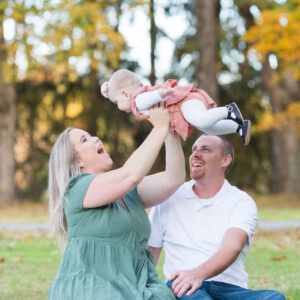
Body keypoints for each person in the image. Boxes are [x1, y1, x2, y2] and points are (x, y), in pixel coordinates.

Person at [48, 105, 186, 299]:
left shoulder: (129, 193)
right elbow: (131, 175)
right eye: (84, 140)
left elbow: (175, 177)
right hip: (92, 289)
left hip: (134, 287)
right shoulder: (77, 189)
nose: (96, 138)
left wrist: (170, 128)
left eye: (91, 135)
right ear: (77, 160)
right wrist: (158, 128)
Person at [148, 134, 286, 300]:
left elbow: (232, 247)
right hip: (184, 287)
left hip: (230, 290)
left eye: (205, 149)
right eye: (194, 150)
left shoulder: (241, 201)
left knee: (275, 297)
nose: (195, 154)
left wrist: (198, 274)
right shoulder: (168, 197)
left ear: (225, 160)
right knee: (188, 291)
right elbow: (150, 254)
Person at [100, 69, 251, 145]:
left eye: (116, 103)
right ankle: (238, 127)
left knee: (201, 121)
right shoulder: (142, 95)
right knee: (208, 128)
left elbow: (149, 98)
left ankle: (229, 110)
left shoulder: (137, 100)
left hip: (184, 102)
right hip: (187, 103)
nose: (118, 107)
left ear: (125, 94)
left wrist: (162, 93)